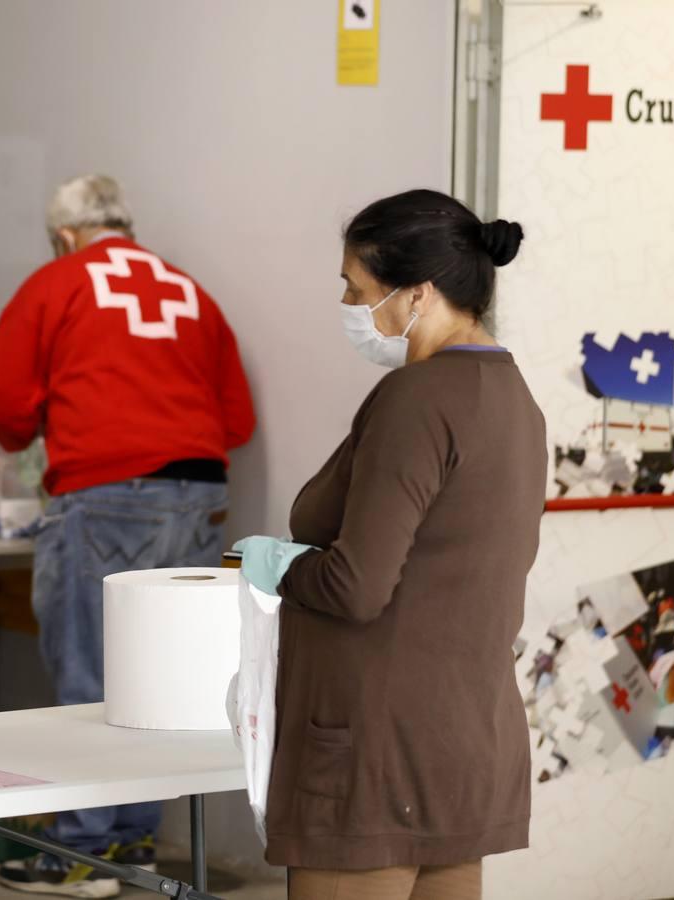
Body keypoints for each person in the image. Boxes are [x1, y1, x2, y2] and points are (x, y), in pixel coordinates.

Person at [233, 189, 545, 900]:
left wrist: (278, 566)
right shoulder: (513, 397)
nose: (345, 301)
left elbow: (356, 586)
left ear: (417, 294)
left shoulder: (417, 398)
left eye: (355, 286)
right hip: (466, 736)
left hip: (374, 751)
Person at [0, 174, 255, 897]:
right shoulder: (189, 291)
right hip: (198, 497)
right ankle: (131, 841)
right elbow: (236, 419)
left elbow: (5, 405)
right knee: (159, 674)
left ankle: (82, 852)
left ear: (64, 235)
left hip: (104, 496)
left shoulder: (57, 282)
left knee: (87, 677)